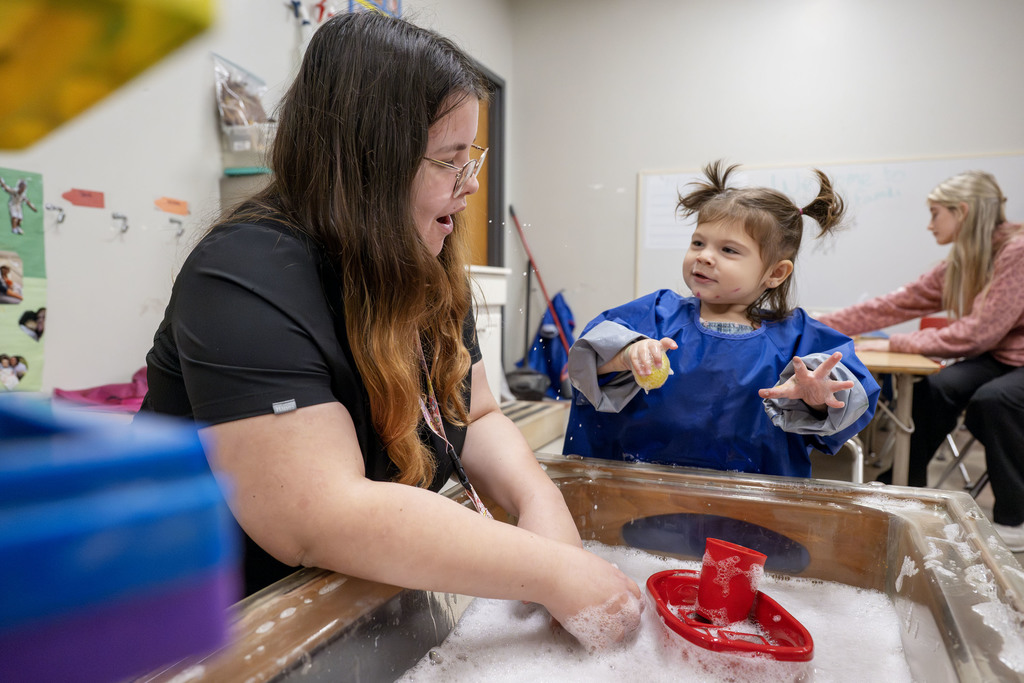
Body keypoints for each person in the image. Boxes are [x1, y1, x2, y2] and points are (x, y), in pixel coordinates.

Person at [138, 12, 640, 650]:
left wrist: (537, 499)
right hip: (214, 624)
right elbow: (317, 516)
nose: (471, 185)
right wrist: (554, 572)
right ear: (368, 161)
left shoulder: (424, 261)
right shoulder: (245, 273)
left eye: (473, 157)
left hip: (346, 601)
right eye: (449, 162)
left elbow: (476, 413)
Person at [564, 161, 879, 477]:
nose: (703, 256)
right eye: (698, 243)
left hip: (754, 505)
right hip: (639, 492)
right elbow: (587, 359)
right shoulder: (657, 314)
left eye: (728, 250)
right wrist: (626, 354)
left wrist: (818, 396)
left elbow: (853, 392)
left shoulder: (797, 338)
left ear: (775, 273)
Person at [817, 170, 1024, 550]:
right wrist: (815, 325)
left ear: (962, 212)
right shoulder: (967, 259)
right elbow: (895, 304)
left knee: (996, 400)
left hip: (1014, 361)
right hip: (1002, 357)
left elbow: (979, 332)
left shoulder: (1018, 251)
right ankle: (908, 488)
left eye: (935, 214)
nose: (929, 225)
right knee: (937, 388)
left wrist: (897, 342)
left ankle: (1016, 516)